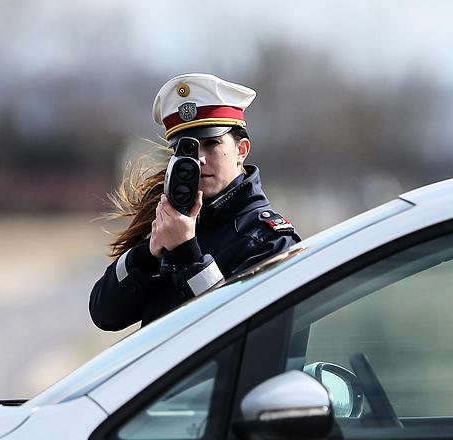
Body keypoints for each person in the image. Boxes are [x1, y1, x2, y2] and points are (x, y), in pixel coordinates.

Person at [89, 73, 300, 331]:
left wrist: (186, 254)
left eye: (211, 143)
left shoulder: (270, 241)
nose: (198, 160)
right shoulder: (172, 220)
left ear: (241, 150)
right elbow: (104, 314)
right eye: (185, 149)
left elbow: (239, 334)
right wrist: (148, 253)